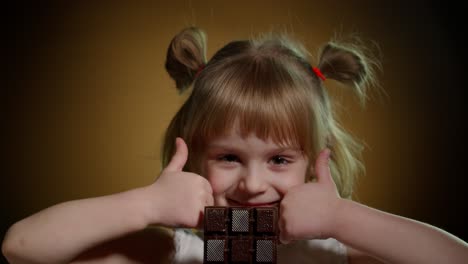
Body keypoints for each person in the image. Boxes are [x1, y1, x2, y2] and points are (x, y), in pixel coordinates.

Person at [2, 27, 467, 264]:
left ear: (312, 161)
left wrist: (343, 219)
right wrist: (145, 204)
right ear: (198, 154)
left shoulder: (332, 249)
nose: (251, 183)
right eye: (228, 157)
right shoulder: (182, 250)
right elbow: (21, 248)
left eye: (280, 159)